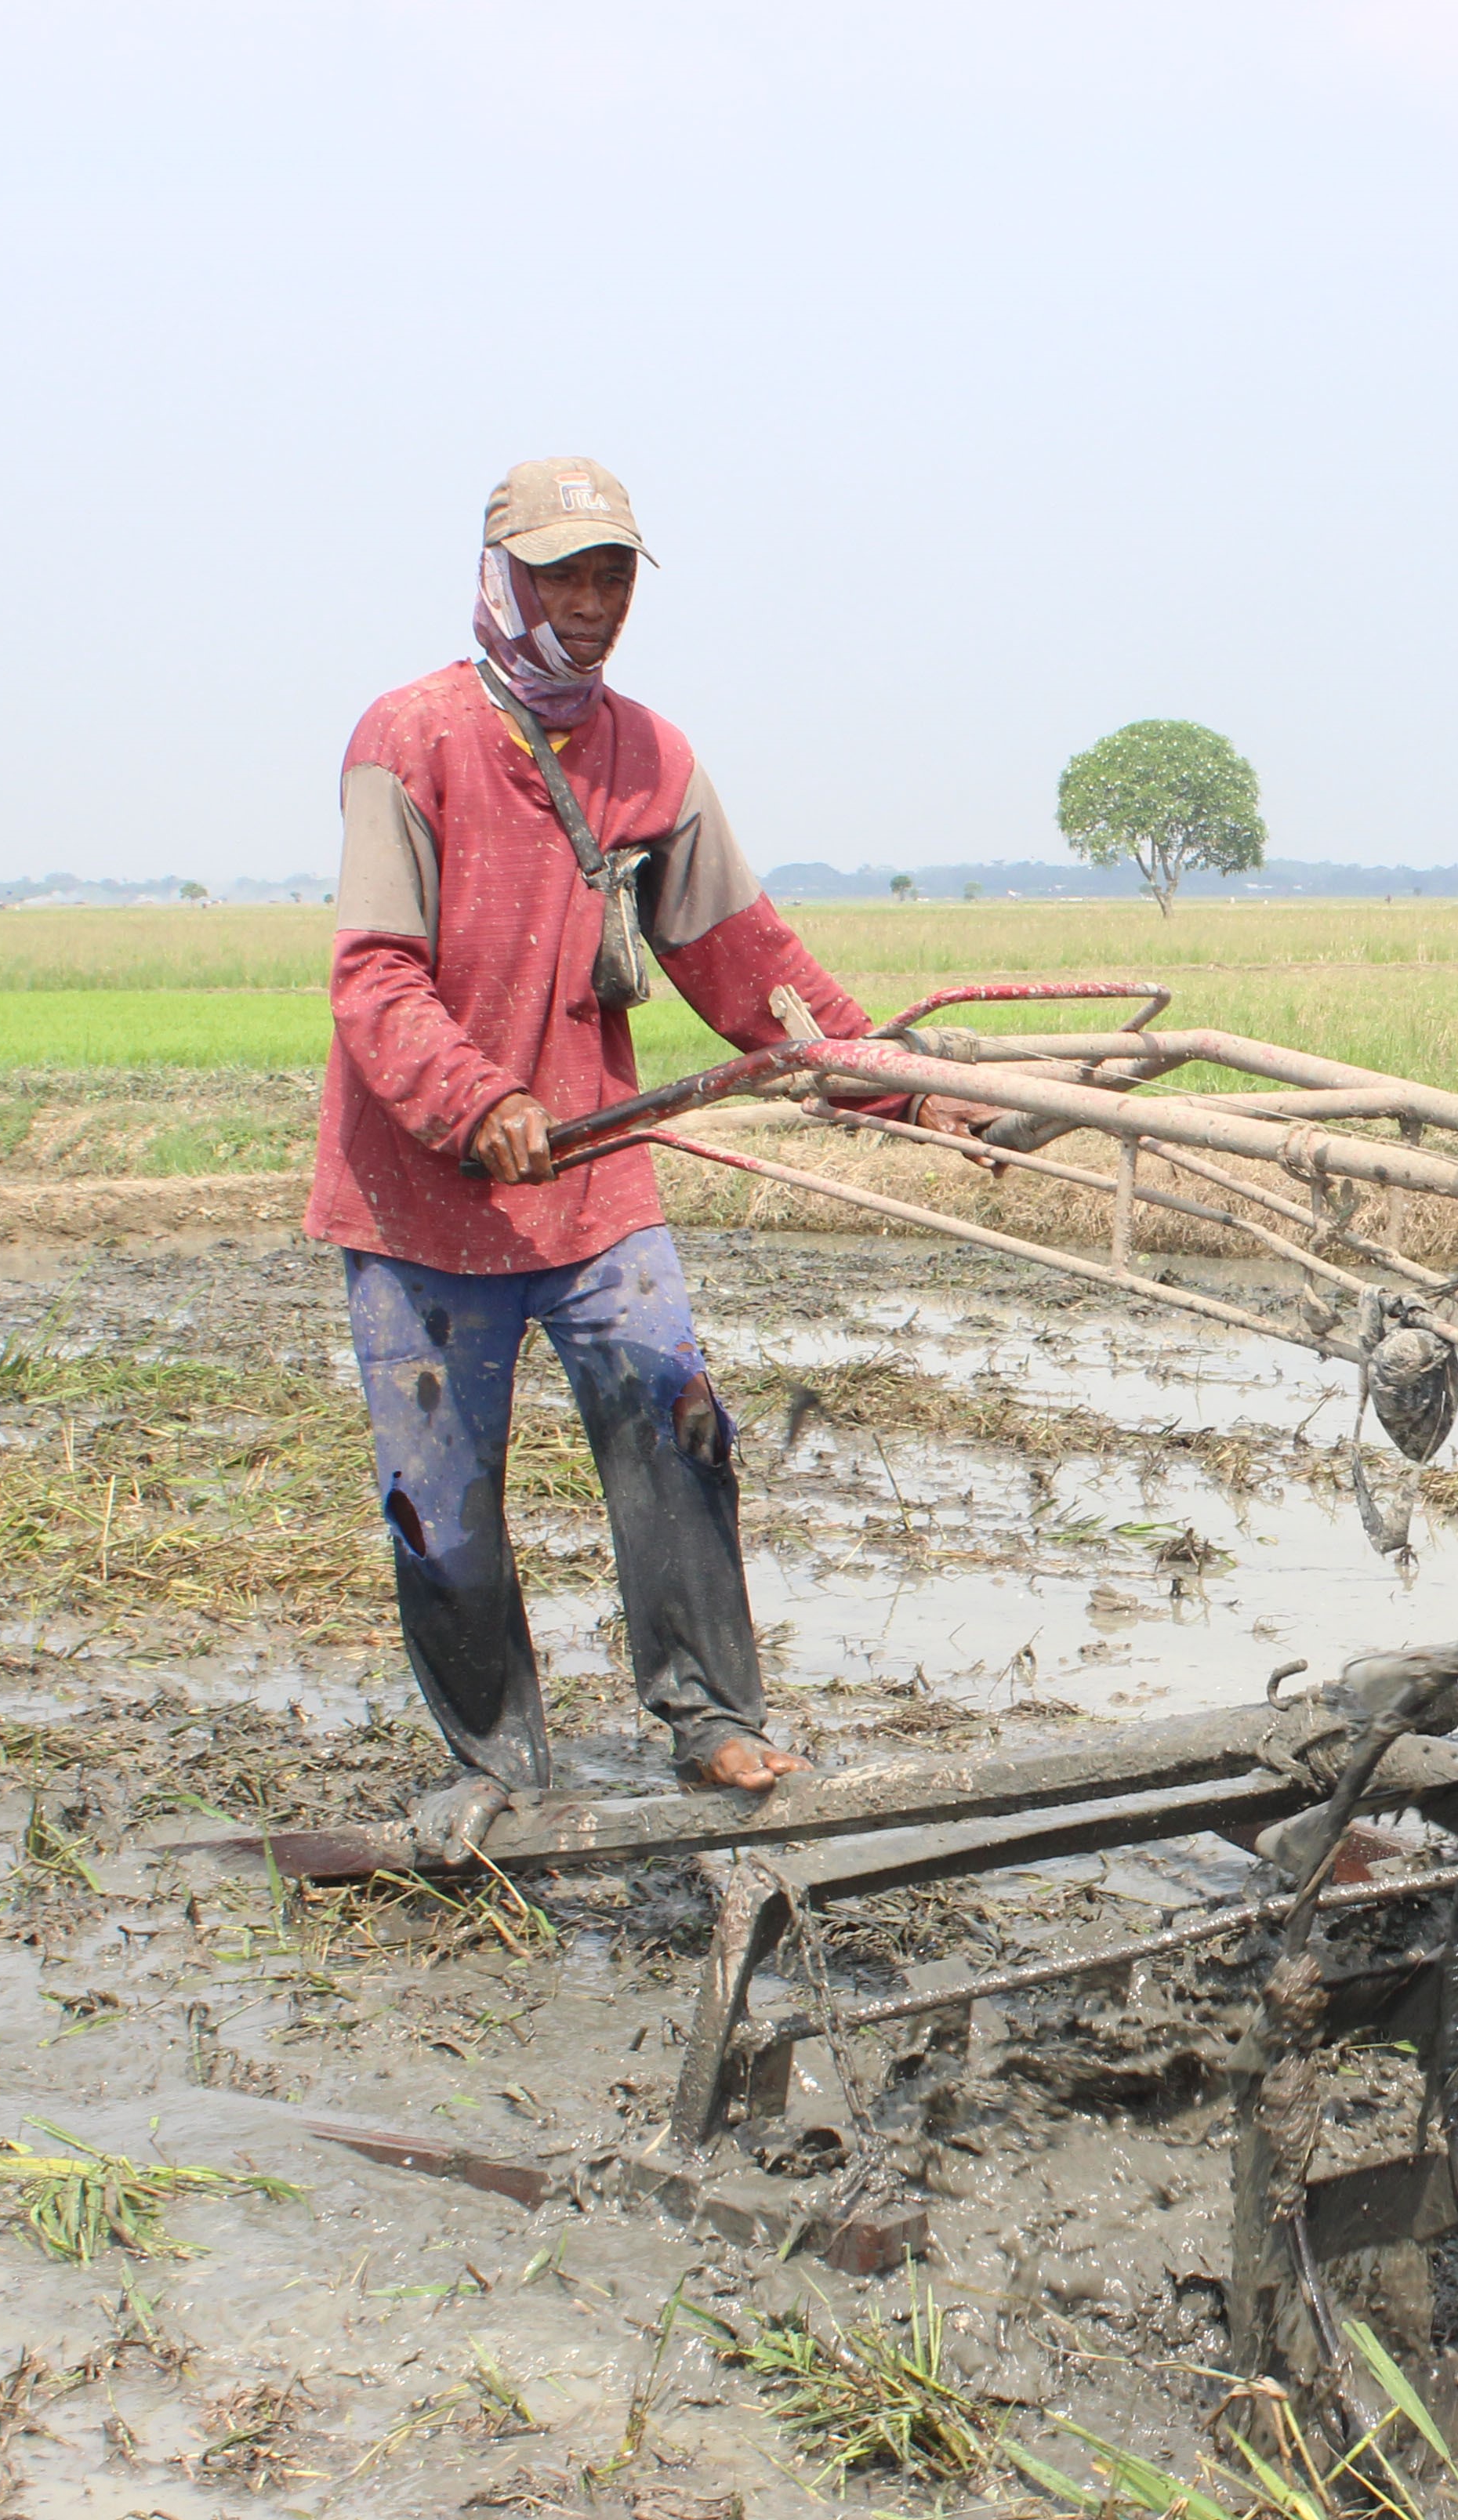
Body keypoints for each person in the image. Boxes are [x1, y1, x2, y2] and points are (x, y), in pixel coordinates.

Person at [310, 456, 989, 1838]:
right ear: (502, 577)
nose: (594, 601)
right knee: (443, 1501)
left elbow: (753, 969)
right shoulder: (411, 739)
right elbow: (375, 976)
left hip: (597, 1186)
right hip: (421, 1202)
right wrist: (473, 1102)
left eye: (614, 574)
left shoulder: (654, 758)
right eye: (566, 573)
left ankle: (714, 1721)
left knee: (678, 1432)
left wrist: (900, 1086)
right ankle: (496, 1764)